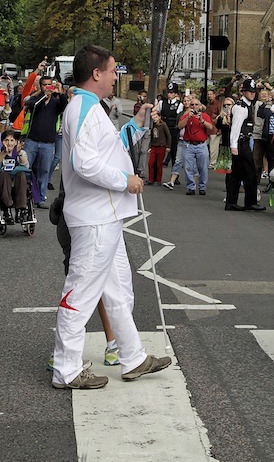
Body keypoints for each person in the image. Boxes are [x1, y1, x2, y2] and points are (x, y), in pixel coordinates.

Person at [52, 45, 170, 390]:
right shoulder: (84, 108)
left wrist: (134, 125)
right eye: (113, 70)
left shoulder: (90, 107)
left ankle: (132, 356)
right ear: (97, 74)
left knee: (119, 292)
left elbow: (107, 150)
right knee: (81, 293)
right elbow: (85, 164)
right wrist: (125, 181)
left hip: (105, 215)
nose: (116, 76)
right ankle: (67, 369)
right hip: (95, 216)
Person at [21, 76, 67, 208]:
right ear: (40, 86)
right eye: (45, 85)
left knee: (44, 171)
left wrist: (60, 91)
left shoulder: (55, 102)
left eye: (49, 85)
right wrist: (44, 97)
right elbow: (33, 106)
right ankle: (23, 196)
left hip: (48, 143)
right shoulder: (35, 99)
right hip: (32, 141)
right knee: (25, 168)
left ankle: (40, 198)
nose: (47, 87)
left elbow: (64, 105)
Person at [225, 79, 266, 212]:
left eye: (254, 91)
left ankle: (232, 202)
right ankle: (250, 202)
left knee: (236, 174)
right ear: (243, 92)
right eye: (249, 91)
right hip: (241, 143)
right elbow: (235, 128)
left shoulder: (247, 105)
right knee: (250, 173)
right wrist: (234, 146)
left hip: (243, 142)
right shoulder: (241, 107)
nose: (252, 94)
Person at [0, 130, 30, 221]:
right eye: (6, 140)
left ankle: (20, 209)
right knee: (4, 175)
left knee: (21, 173)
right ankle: (7, 207)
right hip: (1, 180)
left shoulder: (21, 153)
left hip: (17, 181)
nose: (9, 143)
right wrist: (4, 153)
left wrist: (19, 153)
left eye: (12, 140)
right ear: (2, 142)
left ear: (16, 142)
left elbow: (26, 166)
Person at [179, 97, 215, 195]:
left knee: (203, 167)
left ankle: (202, 186)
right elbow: (179, 126)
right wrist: (187, 117)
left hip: (201, 145)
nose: (194, 107)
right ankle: (191, 187)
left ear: (200, 106)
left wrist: (202, 120)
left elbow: (211, 127)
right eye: (192, 105)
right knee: (188, 167)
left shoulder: (205, 116)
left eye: (196, 105)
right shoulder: (186, 115)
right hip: (188, 145)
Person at [146, 110, 171, 185]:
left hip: (161, 146)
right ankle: (151, 179)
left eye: (156, 116)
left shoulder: (163, 125)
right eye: (153, 117)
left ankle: (158, 180)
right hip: (154, 146)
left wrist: (168, 146)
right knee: (150, 163)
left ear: (159, 117)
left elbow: (168, 136)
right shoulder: (153, 125)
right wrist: (150, 146)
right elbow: (152, 137)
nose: (154, 118)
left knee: (159, 164)